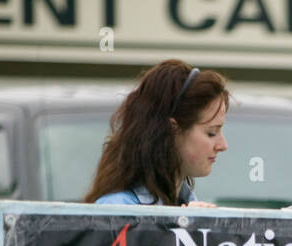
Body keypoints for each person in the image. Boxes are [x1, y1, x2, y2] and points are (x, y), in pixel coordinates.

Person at [86, 59, 229, 208]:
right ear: (172, 130)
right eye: (211, 133)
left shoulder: (187, 204)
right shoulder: (117, 209)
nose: (223, 145)